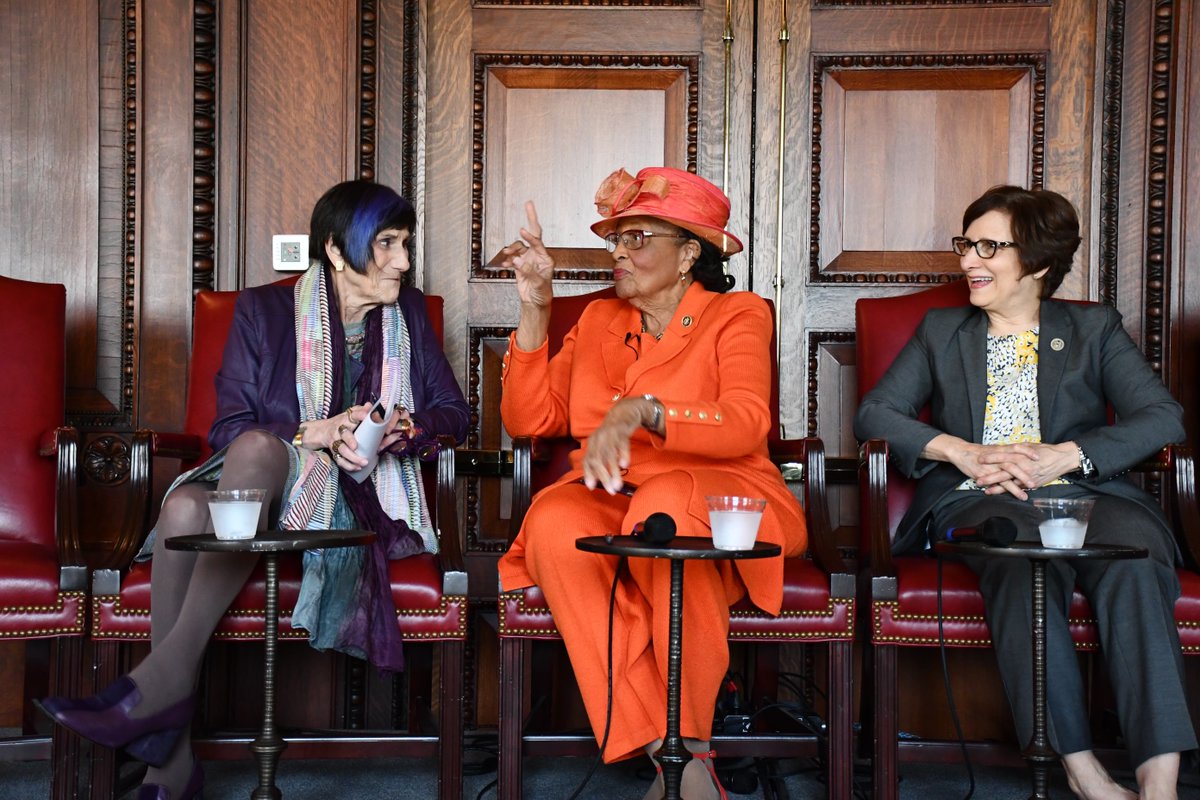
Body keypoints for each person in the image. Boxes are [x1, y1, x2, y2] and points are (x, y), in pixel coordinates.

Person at [39, 180, 470, 800]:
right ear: (336, 249)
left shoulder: (409, 318)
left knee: (189, 507)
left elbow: (455, 412)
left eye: (405, 244)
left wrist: (406, 426)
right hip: (264, 484)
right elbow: (228, 429)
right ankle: (168, 747)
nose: (402, 261)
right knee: (223, 472)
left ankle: (156, 712)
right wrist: (314, 432)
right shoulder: (262, 311)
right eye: (386, 245)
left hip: (358, 500)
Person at [854, 185, 1196, 800]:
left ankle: (1159, 779)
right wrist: (964, 452)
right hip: (981, 497)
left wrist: (1070, 454)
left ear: (1036, 263)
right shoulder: (942, 331)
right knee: (1019, 561)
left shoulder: (1092, 329)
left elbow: (1162, 417)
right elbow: (877, 413)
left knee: (1135, 561)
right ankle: (1082, 769)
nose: (968, 260)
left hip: (1086, 492)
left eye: (989, 246)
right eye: (967, 244)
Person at [496, 167, 808, 800]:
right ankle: (674, 761)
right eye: (616, 239)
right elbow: (529, 419)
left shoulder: (737, 314)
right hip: (612, 498)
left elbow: (748, 423)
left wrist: (647, 412)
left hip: (724, 499)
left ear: (690, 251)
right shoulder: (596, 321)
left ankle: (687, 745)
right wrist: (536, 306)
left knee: (663, 511)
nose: (619, 252)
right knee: (555, 522)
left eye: (637, 237)